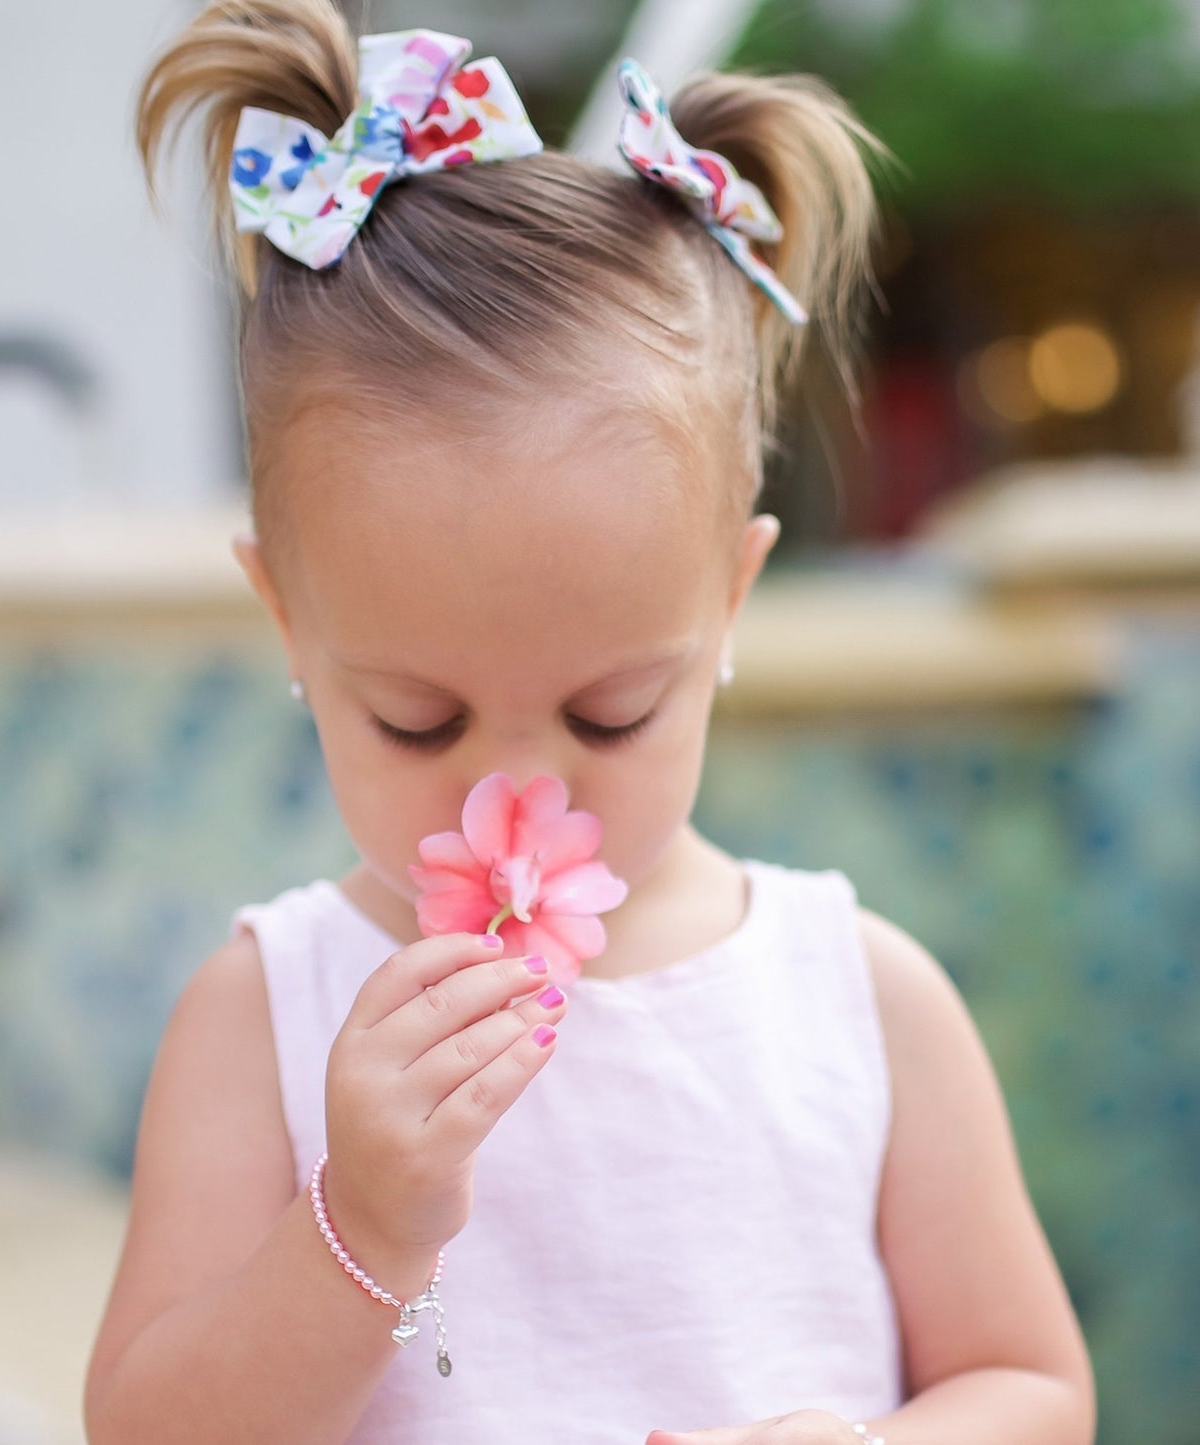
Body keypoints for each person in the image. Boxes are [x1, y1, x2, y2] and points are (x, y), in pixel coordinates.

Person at [84, 5, 1096, 1443]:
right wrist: (358, 1224)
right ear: (287, 626)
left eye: (611, 711)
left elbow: (1037, 1388)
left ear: (729, 604)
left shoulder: (861, 1000)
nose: (517, 794)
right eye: (416, 720)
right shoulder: (270, 1015)